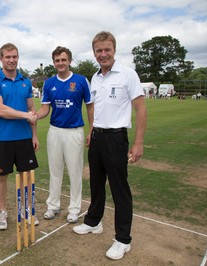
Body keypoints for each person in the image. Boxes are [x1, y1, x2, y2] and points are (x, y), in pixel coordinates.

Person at [73, 31, 147, 260]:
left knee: (119, 189)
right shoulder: (95, 78)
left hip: (116, 138)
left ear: (114, 50)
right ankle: (94, 222)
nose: (103, 54)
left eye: (107, 50)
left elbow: (141, 109)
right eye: (99, 50)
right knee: (96, 183)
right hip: (97, 137)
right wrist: (92, 132)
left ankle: (123, 240)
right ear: (94, 52)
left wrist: (138, 142)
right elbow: (96, 109)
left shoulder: (128, 74)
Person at [36, 46, 93, 223]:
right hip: (55, 131)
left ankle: (74, 209)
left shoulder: (81, 81)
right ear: (54, 63)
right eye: (57, 60)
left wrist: (92, 130)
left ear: (69, 61)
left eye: (63, 60)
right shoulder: (49, 83)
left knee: (75, 172)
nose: (61, 63)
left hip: (74, 132)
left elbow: (90, 106)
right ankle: (53, 206)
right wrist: (34, 116)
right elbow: (45, 108)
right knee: (55, 171)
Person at [0, 43, 39, 231]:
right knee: (2, 176)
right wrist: (25, 115)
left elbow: (32, 109)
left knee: (26, 175)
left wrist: (34, 135)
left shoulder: (26, 81)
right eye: (7, 57)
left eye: (14, 56)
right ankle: (2, 212)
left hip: (24, 137)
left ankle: (27, 209)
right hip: (2, 138)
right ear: (1, 58)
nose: (11, 60)